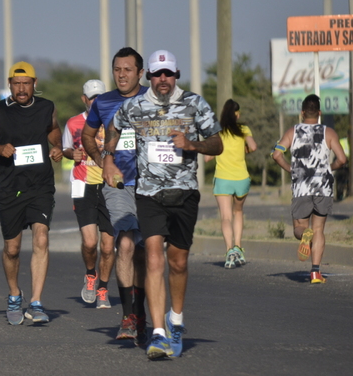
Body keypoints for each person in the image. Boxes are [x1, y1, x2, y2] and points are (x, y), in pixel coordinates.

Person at [105, 50, 223, 359]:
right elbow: (113, 127)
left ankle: (176, 321)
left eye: (167, 73)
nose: (162, 79)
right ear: (149, 76)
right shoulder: (134, 106)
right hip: (149, 194)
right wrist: (108, 159)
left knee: (178, 262)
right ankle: (158, 333)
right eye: (157, 74)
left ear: (176, 74)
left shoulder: (194, 103)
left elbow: (217, 142)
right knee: (154, 259)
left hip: (184, 193)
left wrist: (192, 144)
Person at [0, 62, 63, 325]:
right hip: (11, 187)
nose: (21, 89)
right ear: (10, 85)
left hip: (40, 185)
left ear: (35, 84)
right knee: (12, 249)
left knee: (41, 239)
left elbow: (53, 129)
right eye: (16, 84)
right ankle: (14, 294)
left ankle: (36, 302)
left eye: (26, 83)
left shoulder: (47, 107)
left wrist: (57, 146)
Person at [81, 47, 148, 344]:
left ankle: (141, 311)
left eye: (127, 70)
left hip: (150, 185)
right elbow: (87, 135)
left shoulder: (152, 98)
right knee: (125, 243)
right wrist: (100, 160)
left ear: (140, 73)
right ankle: (128, 315)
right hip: (118, 184)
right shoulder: (104, 101)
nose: (121, 75)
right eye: (117, 70)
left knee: (144, 251)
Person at [272, 94, 347, 285]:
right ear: (319, 113)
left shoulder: (292, 131)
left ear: (302, 113)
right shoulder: (329, 132)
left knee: (300, 227)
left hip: (301, 186)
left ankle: (305, 235)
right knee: (319, 229)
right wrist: (330, 168)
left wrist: (290, 169)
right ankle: (315, 272)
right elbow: (342, 159)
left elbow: (276, 155)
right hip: (323, 187)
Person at [62, 79, 115, 309]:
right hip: (83, 184)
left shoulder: (115, 121)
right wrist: (70, 154)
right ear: (84, 99)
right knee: (91, 242)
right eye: (92, 98)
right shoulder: (73, 123)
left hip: (109, 185)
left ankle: (103, 288)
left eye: (100, 97)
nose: (96, 101)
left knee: (108, 246)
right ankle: (91, 274)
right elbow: (65, 148)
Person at [205, 99, 257, 269]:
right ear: (237, 115)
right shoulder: (244, 129)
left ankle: (229, 251)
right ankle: (238, 247)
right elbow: (253, 147)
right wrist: (243, 150)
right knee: (238, 212)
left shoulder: (217, 131)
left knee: (226, 217)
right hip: (241, 178)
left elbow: (207, 158)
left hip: (223, 179)